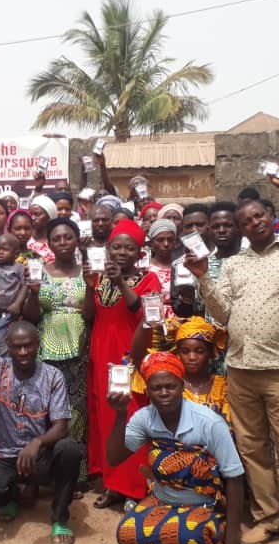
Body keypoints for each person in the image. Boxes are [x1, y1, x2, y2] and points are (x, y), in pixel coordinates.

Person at [194, 198, 279, 544]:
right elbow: (222, 314)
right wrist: (204, 275)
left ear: (271, 217)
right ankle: (267, 519)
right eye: (246, 221)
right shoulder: (234, 264)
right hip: (240, 368)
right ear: (239, 229)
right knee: (251, 449)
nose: (254, 224)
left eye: (259, 216)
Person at [108, 352, 244, 544]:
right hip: (162, 500)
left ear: (182, 386)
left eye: (170, 386)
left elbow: (234, 477)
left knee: (189, 535)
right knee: (126, 534)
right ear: (147, 390)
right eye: (156, 387)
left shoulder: (209, 423)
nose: (163, 393)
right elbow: (114, 459)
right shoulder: (144, 418)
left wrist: (233, 539)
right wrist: (119, 415)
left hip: (205, 504)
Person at [0, 308, 83, 544]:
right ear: (8, 347)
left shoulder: (52, 376)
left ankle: (59, 518)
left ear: (38, 344)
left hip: (38, 455)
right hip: (2, 452)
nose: (23, 352)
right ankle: (12, 496)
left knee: (69, 450)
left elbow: (61, 427)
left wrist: (38, 442)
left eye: (28, 346)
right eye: (17, 347)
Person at [85, 219, 162, 510]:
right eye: (116, 246)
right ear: (108, 248)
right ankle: (112, 484)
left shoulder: (148, 279)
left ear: (139, 251)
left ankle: (133, 487)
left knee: (132, 418)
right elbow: (89, 313)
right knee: (106, 418)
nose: (121, 252)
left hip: (131, 356)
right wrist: (88, 286)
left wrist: (119, 281)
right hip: (102, 354)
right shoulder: (100, 278)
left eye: (129, 248)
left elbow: (144, 313)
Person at [22, 218, 88, 490]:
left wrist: (94, 286)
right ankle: (36, 474)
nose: (63, 242)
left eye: (68, 237)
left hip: (78, 349)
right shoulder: (40, 271)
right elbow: (29, 316)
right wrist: (33, 293)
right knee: (42, 411)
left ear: (76, 240)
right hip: (46, 348)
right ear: (49, 242)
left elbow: (92, 313)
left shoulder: (88, 272)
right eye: (57, 238)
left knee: (75, 413)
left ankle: (74, 476)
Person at [131, 316, 230, 422]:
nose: (192, 357)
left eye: (199, 351)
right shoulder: (166, 381)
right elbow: (138, 356)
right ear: (177, 354)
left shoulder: (223, 386)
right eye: (185, 351)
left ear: (211, 354)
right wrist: (148, 316)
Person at [0, 233, 27, 355]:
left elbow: (25, 286)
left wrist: (17, 303)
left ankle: (7, 362)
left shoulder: (18, 268)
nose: (0, 252)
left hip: (8, 313)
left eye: (4, 249)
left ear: (16, 254)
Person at [27, 196, 57, 263]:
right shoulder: (24, 240)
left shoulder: (57, 242)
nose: (32, 218)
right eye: (30, 214)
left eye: (37, 214)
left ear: (49, 216)